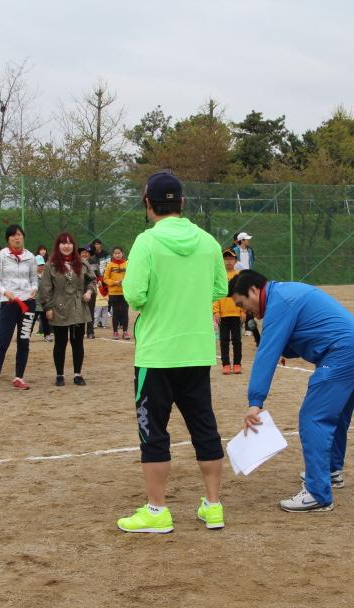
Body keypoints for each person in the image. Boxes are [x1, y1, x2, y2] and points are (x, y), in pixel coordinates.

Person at [116, 171, 229, 534]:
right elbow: (220, 287)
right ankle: (213, 506)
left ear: (148, 204)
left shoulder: (146, 242)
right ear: (182, 202)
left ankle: (157, 510)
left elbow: (135, 294)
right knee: (204, 427)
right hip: (197, 350)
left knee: (153, 432)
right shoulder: (208, 242)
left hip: (157, 354)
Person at [230, 270, 354, 513]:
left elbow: (266, 354)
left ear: (254, 291)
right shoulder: (283, 293)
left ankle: (317, 493)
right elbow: (304, 331)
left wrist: (255, 402)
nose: (245, 311)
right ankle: (330, 471)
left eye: (241, 304)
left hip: (342, 353)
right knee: (335, 415)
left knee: (313, 417)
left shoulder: (279, 302)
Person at [0, 224, 37, 393]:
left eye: (19, 235)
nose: (17, 238)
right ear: (8, 239)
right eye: (13, 235)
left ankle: (19, 377)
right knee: (2, 341)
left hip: (27, 303)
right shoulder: (0, 256)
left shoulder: (30, 257)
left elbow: (34, 279)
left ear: (23, 237)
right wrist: (6, 292)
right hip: (8, 302)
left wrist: (34, 289)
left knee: (24, 341)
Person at [38, 232, 95, 386]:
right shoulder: (50, 265)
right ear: (58, 245)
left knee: (78, 343)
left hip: (78, 308)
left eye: (69, 243)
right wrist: (48, 307)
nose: (66, 246)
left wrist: (89, 292)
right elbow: (45, 289)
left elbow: (92, 280)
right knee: (60, 343)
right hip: (59, 308)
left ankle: (77, 374)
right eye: (63, 243)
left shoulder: (82, 263)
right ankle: (60, 375)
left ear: (73, 245)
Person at [213, 248, 243, 374]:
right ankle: (225, 364)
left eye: (231, 258)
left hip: (236, 313)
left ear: (235, 260)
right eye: (225, 259)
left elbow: (242, 295)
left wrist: (243, 312)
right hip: (223, 314)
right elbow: (215, 295)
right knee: (224, 340)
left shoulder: (239, 276)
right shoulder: (219, 276)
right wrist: (216, 311)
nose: (228, 261)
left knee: (237, 340)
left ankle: (237, 364)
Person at [103, 246, 130, 340]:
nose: (117, 255)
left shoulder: (127, 264)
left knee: (125, 312)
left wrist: (125, 282)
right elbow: (105, 278)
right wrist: (114, 282)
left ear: (122, 253)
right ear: (113, 254)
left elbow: (131, 276)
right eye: (115, 253)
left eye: (119, 253)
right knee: (115, 312)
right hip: (113, 293)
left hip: (125, 292)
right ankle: (115, 332)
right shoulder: (109, 265)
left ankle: (125, 332)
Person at [33, 245, 53, 342]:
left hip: (44, 301)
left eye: (42, 265)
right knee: (32, 319)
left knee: (46, 320)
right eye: (38, 265)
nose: (41, 267)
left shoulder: (46, 275)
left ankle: (47, 335)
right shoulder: (32, 276)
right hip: (35, 301)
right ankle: (25, 336)